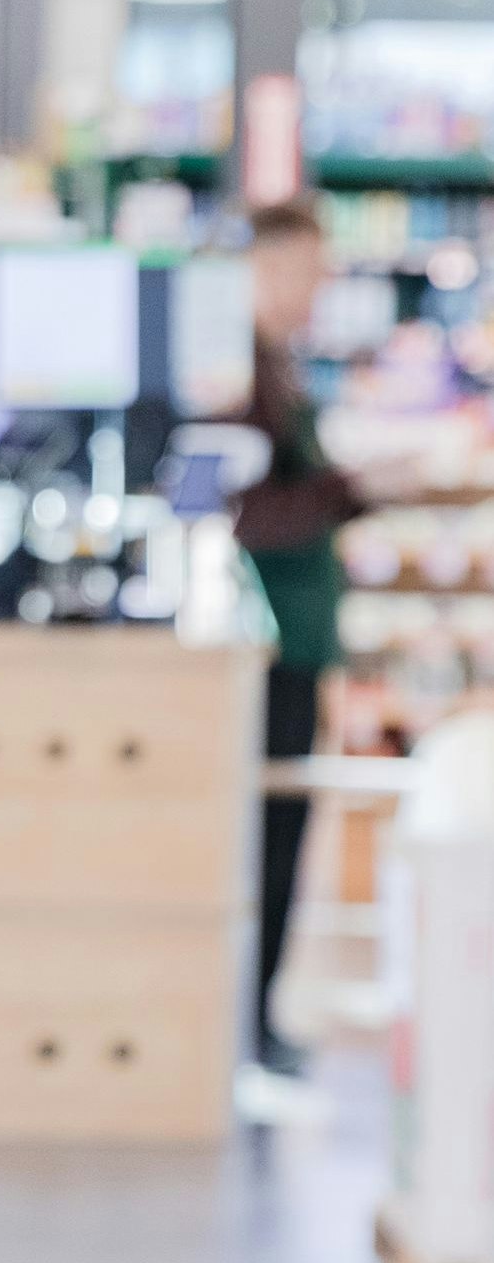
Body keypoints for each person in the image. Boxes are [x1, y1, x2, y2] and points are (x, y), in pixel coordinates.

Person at [237, 201, 361, 1078]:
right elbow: (247, 512)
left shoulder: (271, 364)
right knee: (270, 835)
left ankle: (261, 1015)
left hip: (297, 637)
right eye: (310, 269)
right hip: (271, 642)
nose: (319, 289)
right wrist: (344, 491)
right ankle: (251, 1024)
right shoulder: (238, 371)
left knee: (285, 830)